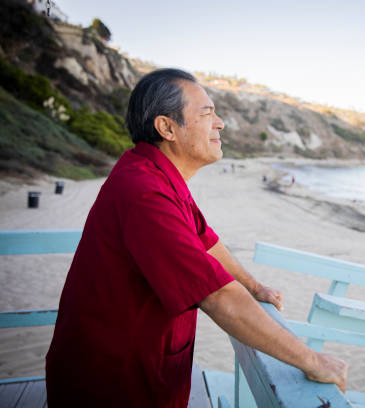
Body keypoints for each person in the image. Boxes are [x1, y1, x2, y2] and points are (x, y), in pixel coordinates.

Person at [45, 68, 347, 407]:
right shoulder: (144, 192)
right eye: (207, 114)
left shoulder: (159, 175)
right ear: (167, 127)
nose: (220, 124)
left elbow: (207, 242)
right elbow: (218, 297)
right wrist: (313, 360)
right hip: (111, 384)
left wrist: (254, 286)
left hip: (143, 371)